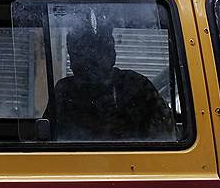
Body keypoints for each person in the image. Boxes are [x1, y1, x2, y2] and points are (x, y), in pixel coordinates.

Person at [44, 21, 174, 141]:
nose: (87, 64)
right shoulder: (65, 91)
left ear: (111, 55)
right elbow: (44, 137)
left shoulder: (134, 85)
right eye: (77, 55)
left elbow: (166, 136)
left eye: (94, 57)